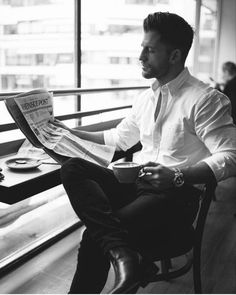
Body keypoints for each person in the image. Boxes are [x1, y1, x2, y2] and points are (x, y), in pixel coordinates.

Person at [51, 12, 236, 294]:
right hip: (136, 184)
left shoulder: (206, 99)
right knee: (73, 168)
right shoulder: (145, 98)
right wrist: (67, 132)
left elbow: (230, 155)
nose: (141, 55)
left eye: (149, 50)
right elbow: (118, 138)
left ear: (174, 56)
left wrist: (176, 175)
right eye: (142, 47)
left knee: (93, 238)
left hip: (175, 195)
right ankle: (126, 255)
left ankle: (122, 256)